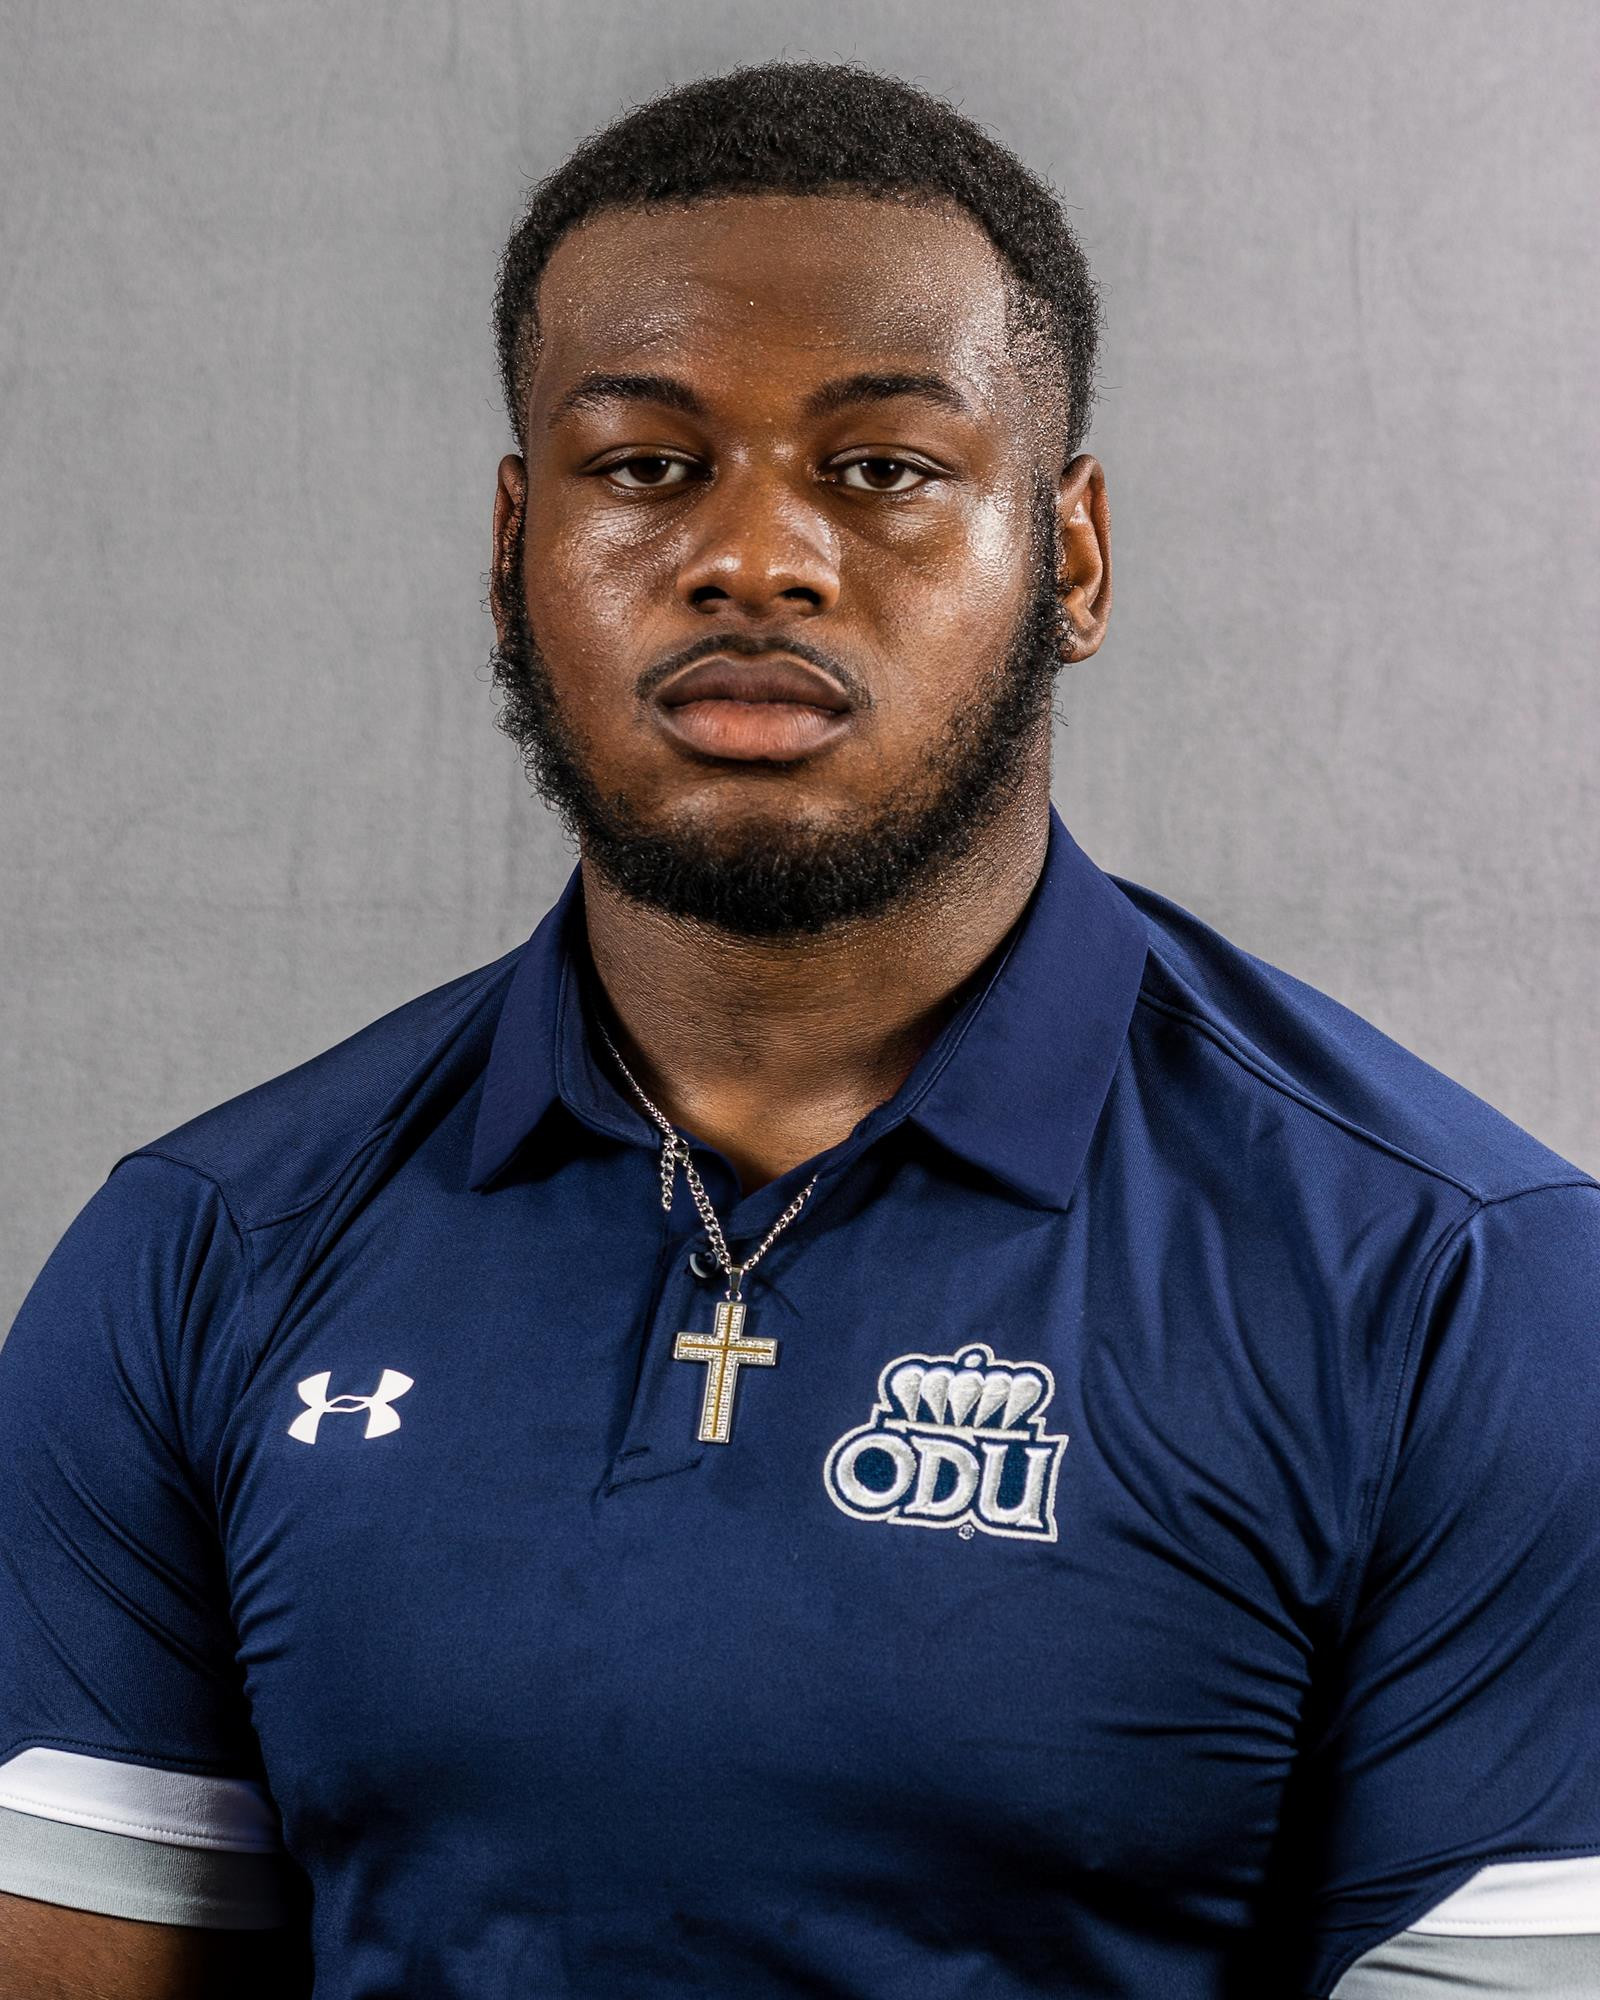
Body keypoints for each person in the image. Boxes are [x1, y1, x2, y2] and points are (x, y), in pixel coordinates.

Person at [0, 58, 1595, 2000]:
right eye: (645, 467)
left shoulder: (1456, 1289)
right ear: (510, 551)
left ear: (1072, 561)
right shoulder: (202, 1256)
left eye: (882, 469)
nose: (753, 556)